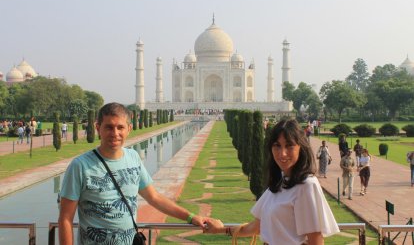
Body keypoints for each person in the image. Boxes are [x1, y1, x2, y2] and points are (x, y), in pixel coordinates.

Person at [58, 103, 207, 244]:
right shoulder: (80, 166)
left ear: (129, 129)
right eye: (109, 127)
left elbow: (154, 197)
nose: (115, 133)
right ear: (98, 128)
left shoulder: (133, 157)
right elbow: (65, 218)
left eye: (120, 127)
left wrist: (190, 217)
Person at [203, 118, 339, 244]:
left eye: (289, 146)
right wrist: (221, 229)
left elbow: (316, 240)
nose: (282, 153)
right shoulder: (280, 182)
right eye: (277, 146)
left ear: (300, 148)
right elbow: (256, 227)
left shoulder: (306, 185)